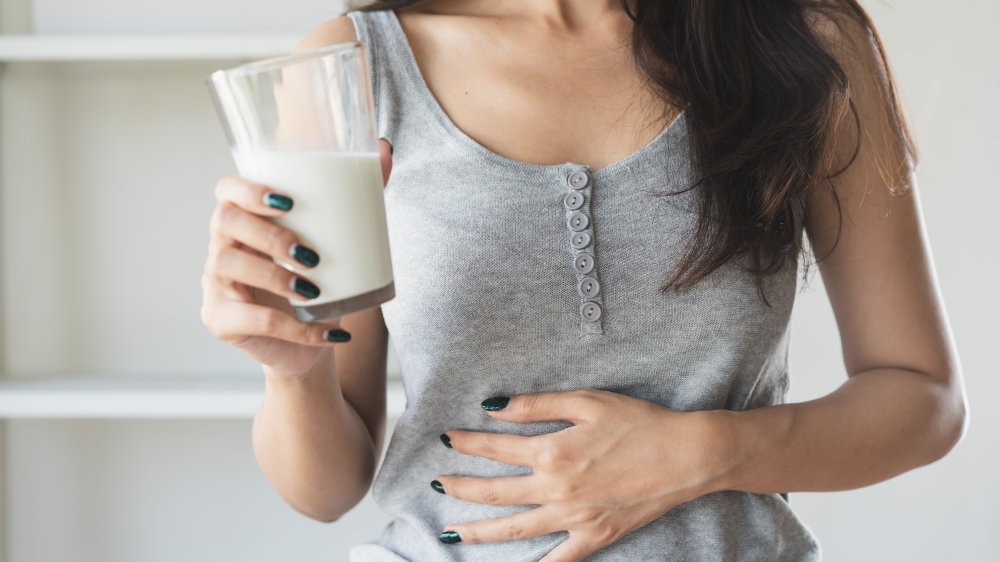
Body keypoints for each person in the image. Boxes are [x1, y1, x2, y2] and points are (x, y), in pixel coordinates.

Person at [200, 0, 969, 560]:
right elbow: (326, 490)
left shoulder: (804, 42)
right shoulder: (353, 65)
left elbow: (923, 399)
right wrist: (295, 373)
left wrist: (705, 451)